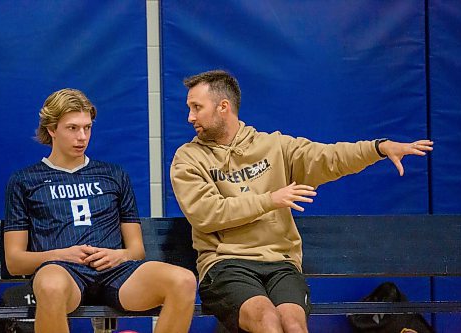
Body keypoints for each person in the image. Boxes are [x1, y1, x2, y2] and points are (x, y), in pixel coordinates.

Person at [170, 70, 433, 333]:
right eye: (190, 108)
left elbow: (330, 157)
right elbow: (207, 213)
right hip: (226, 264)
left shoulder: (274, 146)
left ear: (223, 107)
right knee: (268, 322)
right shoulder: (188, 159)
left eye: (197, 107)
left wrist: (378, 148)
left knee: (294, 325)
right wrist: (270, 200)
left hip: (280, 263)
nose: (190, 117)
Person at [4, 88, 197, 333]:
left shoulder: (113, 175)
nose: (82, 136)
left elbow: (136, 249)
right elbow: (15, 261)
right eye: (72, 128)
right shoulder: (25, 180)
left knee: (183, 281)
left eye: (87, 127)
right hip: (63, 272)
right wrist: (62, 255)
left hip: (116, 272)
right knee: (51, 285)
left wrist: (120, 255)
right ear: (52, 129)